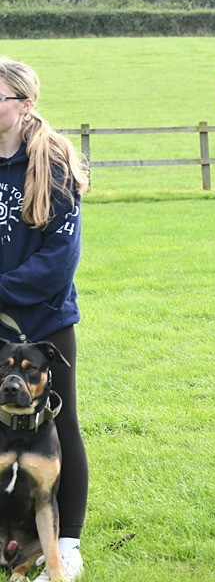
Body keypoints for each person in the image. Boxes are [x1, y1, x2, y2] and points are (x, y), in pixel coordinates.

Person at [0, 58, 89, 580]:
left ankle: (68, 546)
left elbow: (60, 257)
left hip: (47, 317)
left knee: (62, 423)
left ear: (24, 104)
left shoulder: (53, 165)